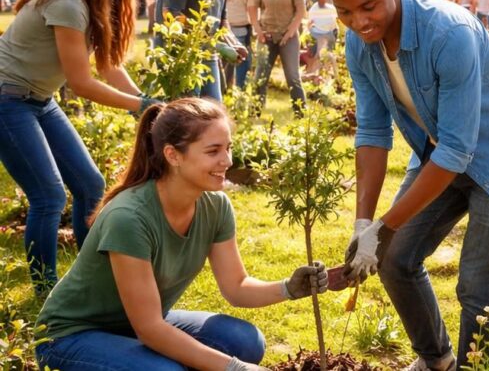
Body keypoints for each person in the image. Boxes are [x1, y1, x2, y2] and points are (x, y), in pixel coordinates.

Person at [323, 0, 489, 371]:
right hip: (444, 152)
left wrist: (385, 226)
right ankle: (437, 360)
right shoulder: (359, 43)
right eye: (345, 12)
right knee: (394, 260)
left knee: (477, 288)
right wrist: (364, 224)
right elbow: (372, 131)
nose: (358, 22)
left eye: (368, 7)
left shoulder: (449, 33)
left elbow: (457, 150)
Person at [34, 98, 327, 370]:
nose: (227, 161)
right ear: (173, 155)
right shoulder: (129, 218)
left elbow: (236, 286)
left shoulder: (215, 206)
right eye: (213, 151)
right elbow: (149, 329)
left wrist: (289, 288)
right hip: (71, 336)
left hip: (136, 324)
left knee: (245, 341)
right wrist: (233, 368)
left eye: (228, 147)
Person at [0, 0, 160, 295]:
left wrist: (147, 105)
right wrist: (140, 104)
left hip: (39, 99)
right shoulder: (68, 2)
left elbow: (107, 65)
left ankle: (89, 281)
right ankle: (46, 291)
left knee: (90, 184)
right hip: (7, 99)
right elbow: (82, 82)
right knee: (49, 195)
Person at [253, 0, 307, 115]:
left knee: (292, 76)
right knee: (260, 76)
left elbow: (301, 11)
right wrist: (258, 31)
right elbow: (253, 8)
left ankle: (300, 113)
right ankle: (255, 111)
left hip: (288, 36)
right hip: (266, 36)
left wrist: (290, 33)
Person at [223, 0, 256, 90]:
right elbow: (251, 8)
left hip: (230, 28)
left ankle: (227, 88)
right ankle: (239, 90)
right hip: (240, 28)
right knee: (242, 62)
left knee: (228, 62)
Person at [305, 0, 339, 77]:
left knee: (329, 55)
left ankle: (331, 74)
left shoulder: (331, 8)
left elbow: (336, 22)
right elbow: (309, 24)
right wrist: (310, 33)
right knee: (320, 54)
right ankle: (315, 74)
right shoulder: (313, 9)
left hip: (330, 34)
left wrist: (336, 32)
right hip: (318, 35)